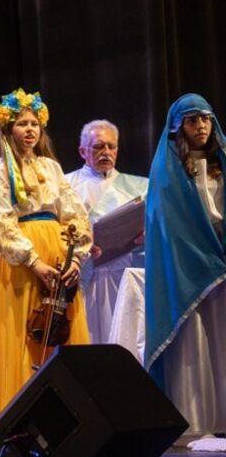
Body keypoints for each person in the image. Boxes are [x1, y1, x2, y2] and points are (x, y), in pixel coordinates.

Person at [0, 89, 91, 422]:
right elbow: (2, 220)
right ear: (7, 130)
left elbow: (74, 213)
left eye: (34, 124)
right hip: (25, 262)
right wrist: (34, 262)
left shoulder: (51, 167)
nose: (30, 130)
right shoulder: (2, 169)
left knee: (61, 326)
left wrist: (75, 257)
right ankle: (24, 414)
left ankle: (68, 409)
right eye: (21, 124)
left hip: (58, 254)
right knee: (27, 330)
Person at [144, 94, 226, 446]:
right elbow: (168, 223)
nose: (201, 126)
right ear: (179, 127)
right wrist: (199, 256)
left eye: (206, 119)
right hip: (189, 268)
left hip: (221, 262)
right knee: (193, 345)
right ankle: (194, 421)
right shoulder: (168, 173)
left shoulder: (222, 163)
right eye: (193, 120)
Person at [64, 120, 148, 343]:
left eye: (111, 147)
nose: (106, 152)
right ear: (83, 151)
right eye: (98, 147)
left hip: (124, 276)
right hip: (85, 278)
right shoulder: (65, 185)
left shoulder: (141, 187)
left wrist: (147, 235)